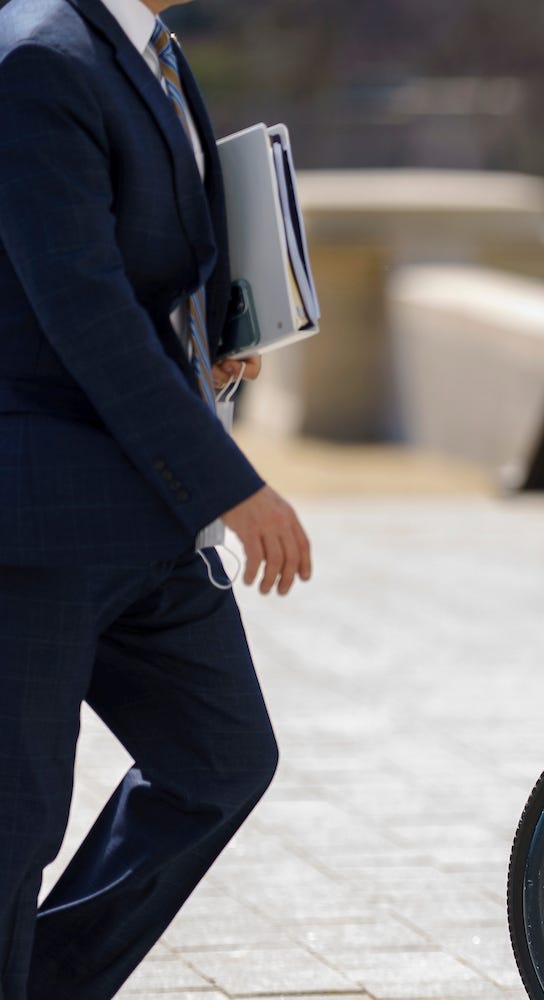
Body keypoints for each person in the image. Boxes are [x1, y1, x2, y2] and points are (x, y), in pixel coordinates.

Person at [0, 0, 313, 995]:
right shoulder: (37, 61)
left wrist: (215, 329)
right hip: (37, 520)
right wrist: (234, 484)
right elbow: (83, 312)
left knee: (221, 758)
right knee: (14, 823)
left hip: (141, 516)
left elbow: (139, 265)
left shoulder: (154, 53)